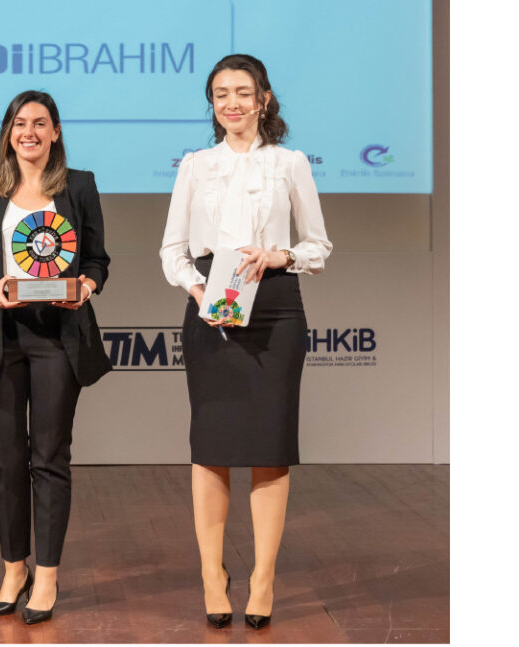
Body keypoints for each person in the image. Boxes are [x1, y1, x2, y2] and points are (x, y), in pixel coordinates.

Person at [159, 54, 332, 630]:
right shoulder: (195, 165)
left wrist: (280, 255)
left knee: (269, 445)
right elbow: (172, 250)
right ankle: (213, 576)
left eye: (242, 92)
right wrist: (197, 289)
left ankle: (262, 578)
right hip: (211, 303)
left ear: (263, 99)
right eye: (220, 94)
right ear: (212, 104)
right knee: (210, 446)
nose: (231, 103)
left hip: (276, 305)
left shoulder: (290, 164)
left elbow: (318, 246)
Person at [0, 90, 111, 625]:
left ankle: (46, 575)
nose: (30, 132)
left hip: (57, 340)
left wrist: (85, 286)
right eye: (20, 123)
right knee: (6, 462)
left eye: (40, 123)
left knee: (49, 458)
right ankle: (13, 569)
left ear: (56, 132)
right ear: (8, 133)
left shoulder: (79, 186)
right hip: (0, 338)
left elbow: (97, 260)